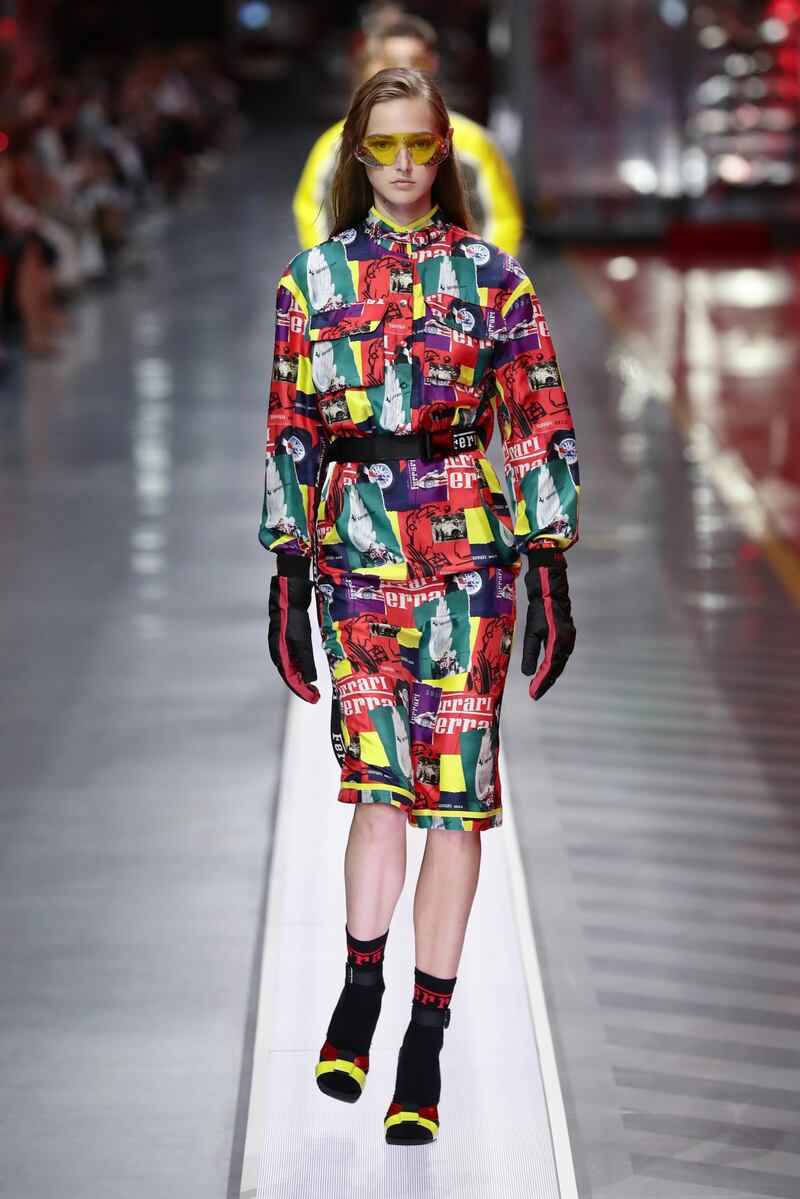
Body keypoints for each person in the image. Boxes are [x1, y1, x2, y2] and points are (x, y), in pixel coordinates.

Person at [260, 66, 579, 1145]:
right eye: (383, 147)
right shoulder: (310, 284)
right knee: (377, 785)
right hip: (354, 556)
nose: (401, 166)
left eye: (420, 147)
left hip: (470, 557)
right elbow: (293, 427)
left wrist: (550, 564)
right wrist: (285, 568)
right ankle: (359, 985)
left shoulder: (494, 282)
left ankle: (423, 1037)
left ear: (443, 151)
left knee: (457, 792)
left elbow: (535, 416)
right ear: (359, 153)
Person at [293, 13, 525, 256]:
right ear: (372, 63)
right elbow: (314, 216)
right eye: (391, 60)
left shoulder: (473, 143)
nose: (404, 69)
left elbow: (501, 219)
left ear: (432, 63)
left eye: (416, 60)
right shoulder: (334, 146)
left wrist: (486, 279)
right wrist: (332, 277)